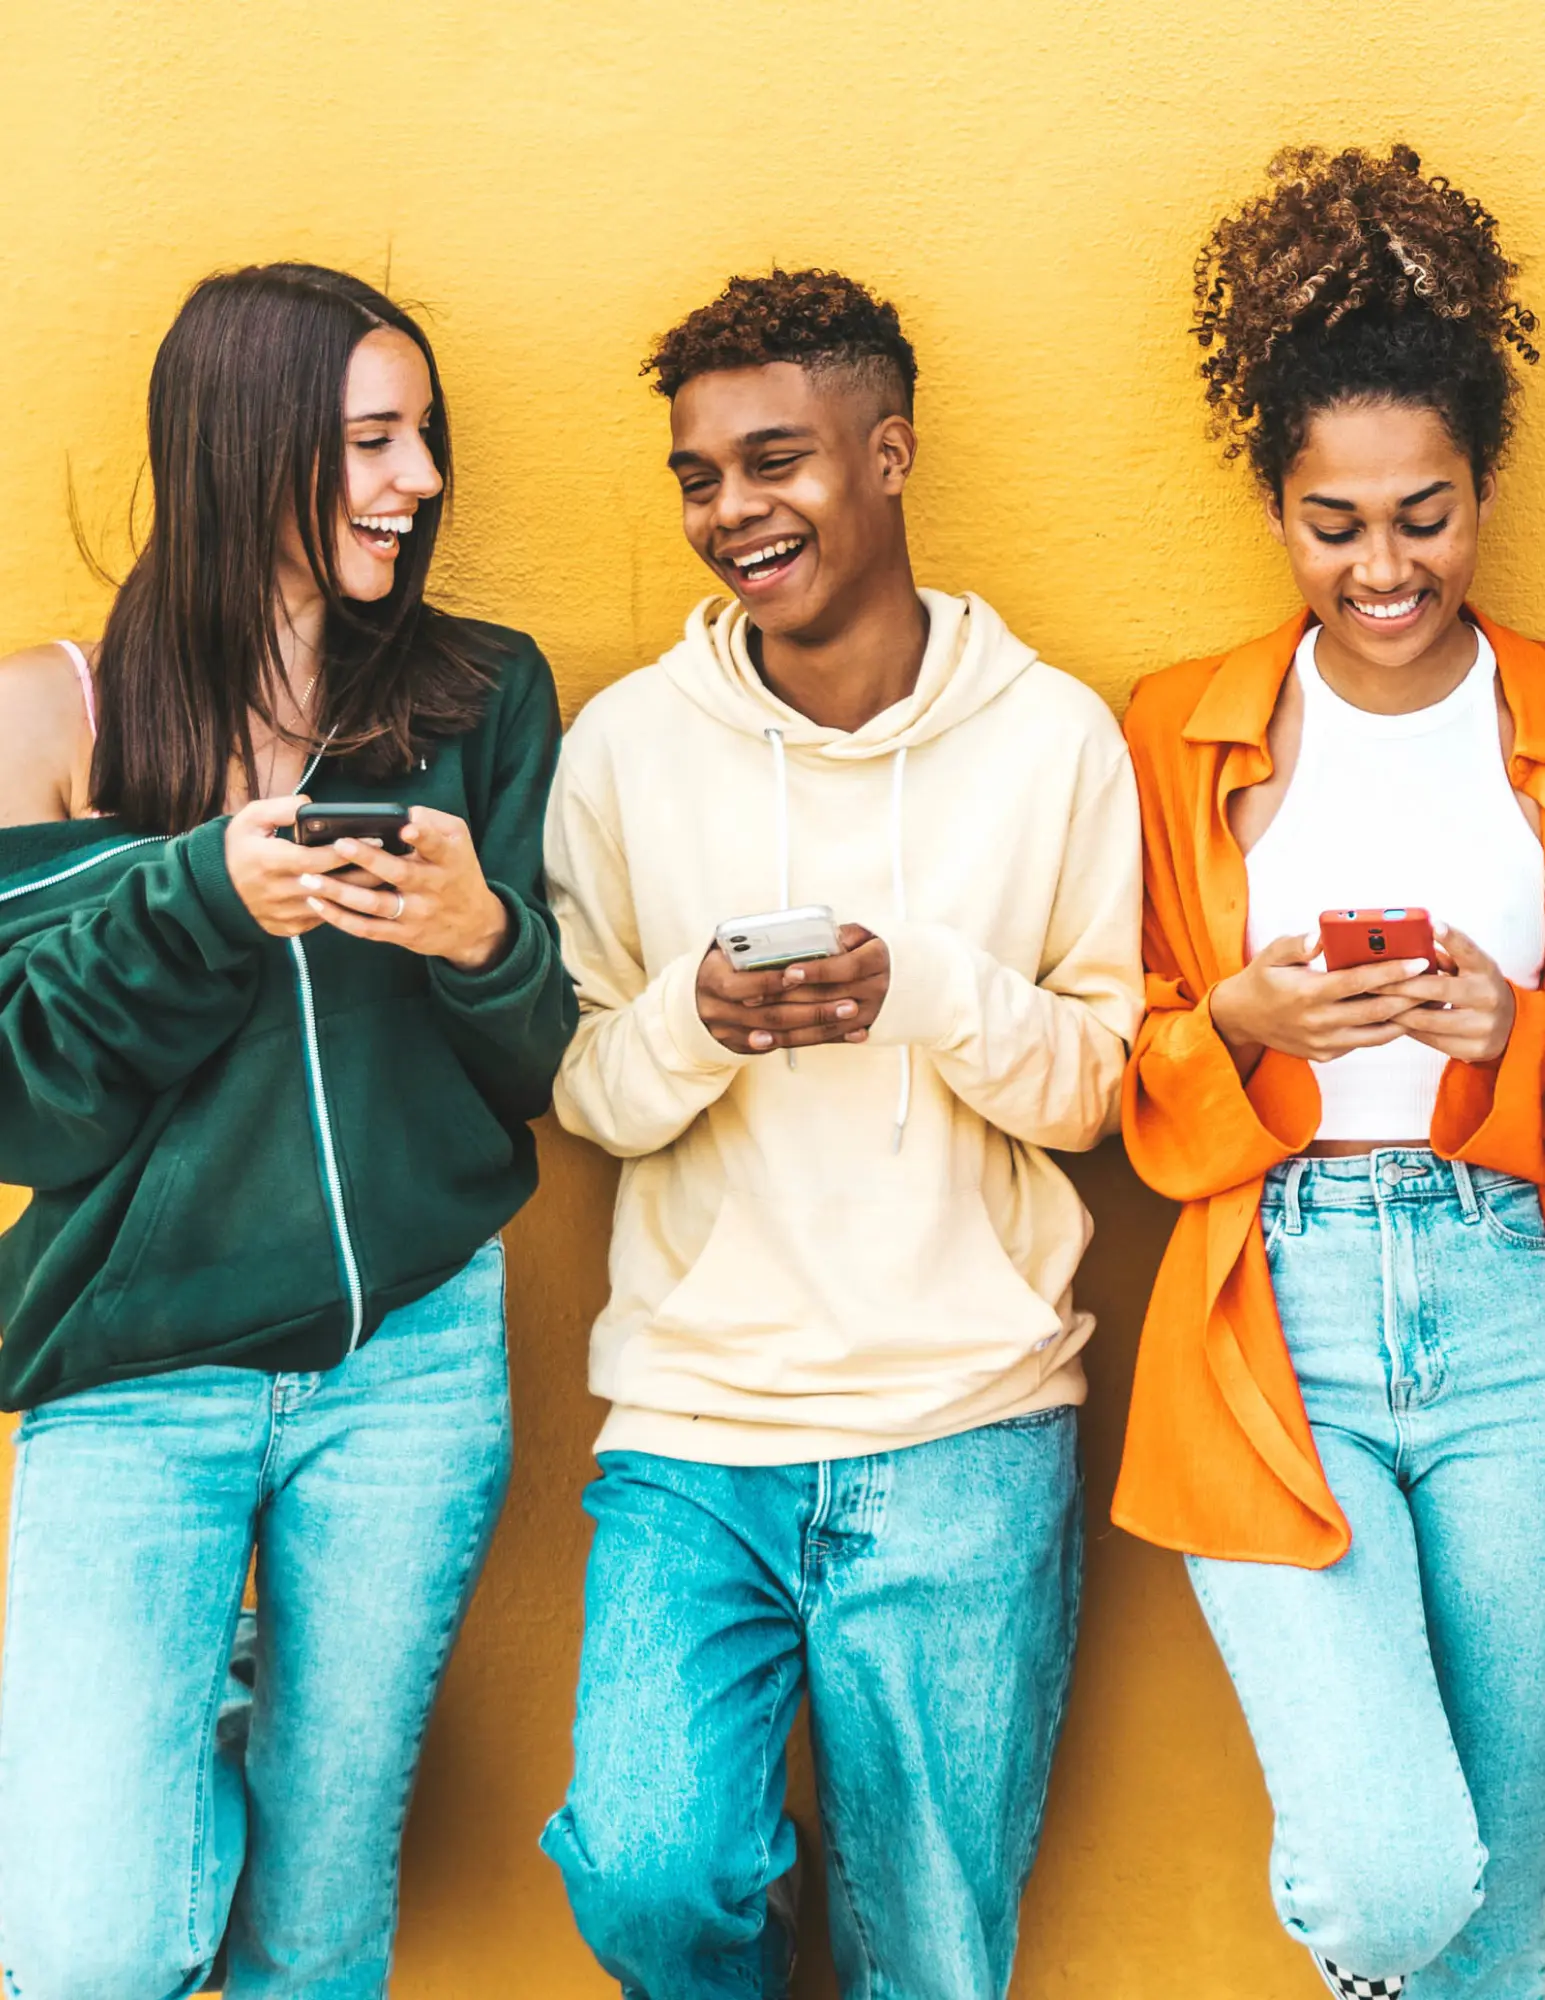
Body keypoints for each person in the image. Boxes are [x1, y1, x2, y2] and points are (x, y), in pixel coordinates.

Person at [539, 267, 1143, 1997]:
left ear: (886, 457)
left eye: (775, 461)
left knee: (934, 1957)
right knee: (651, 1877)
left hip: (968, 1423)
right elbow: (583, 1088)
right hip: (694, 1430)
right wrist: (695, 1023)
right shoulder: (627, 750)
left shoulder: (1053, 743)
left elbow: (1098, 1089)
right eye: (699, 475)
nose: (733, 510)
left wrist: (928, 988)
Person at [0, 263, 575, 1999]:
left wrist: (481, 940)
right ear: (243, 449)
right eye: (371, 443)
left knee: (321, 1933)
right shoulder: (58, 711)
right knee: (85, 1947)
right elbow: (30, 1090)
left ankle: (233, 1706)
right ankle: (204, 1703)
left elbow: (535, 1064)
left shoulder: (482, 698)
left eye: (424, 440)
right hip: (136, 1381)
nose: (418, 483)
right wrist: (200, 895)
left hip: (411, 1366)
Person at [1115, 145, 1545, 2000]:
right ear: (1276, 510)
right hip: (1269, 1312)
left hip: (1518, 1304)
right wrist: (1239, 1030)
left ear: (1485, 492)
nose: (1387, 568)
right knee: (1390, 1881)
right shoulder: (1178, 729)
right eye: (1335, 523)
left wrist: (1515, 1045)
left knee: (1513, 1904)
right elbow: (1114, 1057)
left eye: (1426, 515)